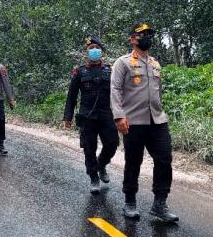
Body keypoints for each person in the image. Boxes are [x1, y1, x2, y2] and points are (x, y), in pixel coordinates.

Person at [110, 21, 177, 222]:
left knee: (164, 159)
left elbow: (158, 92)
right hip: (133, 122)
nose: (146, 38)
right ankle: (130, 202)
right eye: (141, 35)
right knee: (133, 162)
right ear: (132, 39)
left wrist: (160, 111)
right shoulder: (122, 63)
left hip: (157, 121)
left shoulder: (155, 63)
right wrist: (119, 116)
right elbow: (115, 90)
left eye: (148, 34)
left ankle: (160, 204)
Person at [63, 36, 119, 194]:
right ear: (86, 52)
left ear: (101, 51)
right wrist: (67, 117)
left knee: (112, 143)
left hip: (106, 114)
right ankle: (94, 177)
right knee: (89, 148)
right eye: (91, 48)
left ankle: (101, 164)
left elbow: (118, 93)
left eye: (97, 48)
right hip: (87, 116)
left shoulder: (110, 70)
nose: (94, 50)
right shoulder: (79, 72)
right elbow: (72, 96)